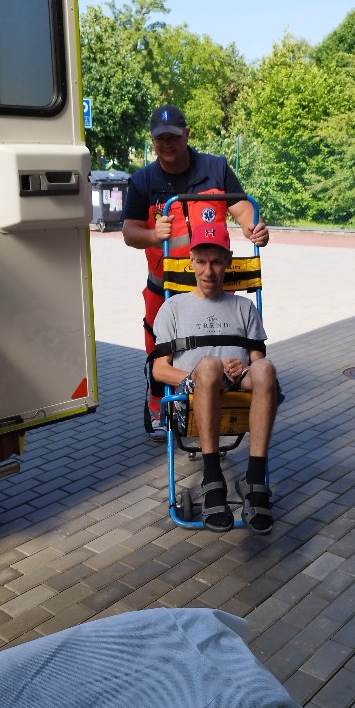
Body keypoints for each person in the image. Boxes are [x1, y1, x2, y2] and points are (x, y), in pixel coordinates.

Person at [122, 104, 269, 441]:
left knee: (218, 345)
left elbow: (242, 208)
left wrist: (254, 227)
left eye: (173, 137)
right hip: (164, 287)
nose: (167, 144)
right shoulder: (143, 181)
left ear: (187, 134)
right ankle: (158, 407)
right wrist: (152, 235)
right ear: (152, 140)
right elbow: (129, 232)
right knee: (160, 351)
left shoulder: (215, 169)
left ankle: (221, 398)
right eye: (160, 139)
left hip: (215, 285)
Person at [151, 222, 277, 534]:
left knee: (266, 369)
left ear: (228, 261)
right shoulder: (172, 308)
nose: (209, 271)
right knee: (208, 366)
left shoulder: (244, 307)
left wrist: (242, 369)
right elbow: (159, 370)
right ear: (191, 261)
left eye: (217, 262)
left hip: (238, 389)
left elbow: (257, 362)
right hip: (193, 395)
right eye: (202, 262)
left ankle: (255, 478)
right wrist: (205, 373)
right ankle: (212, 478)